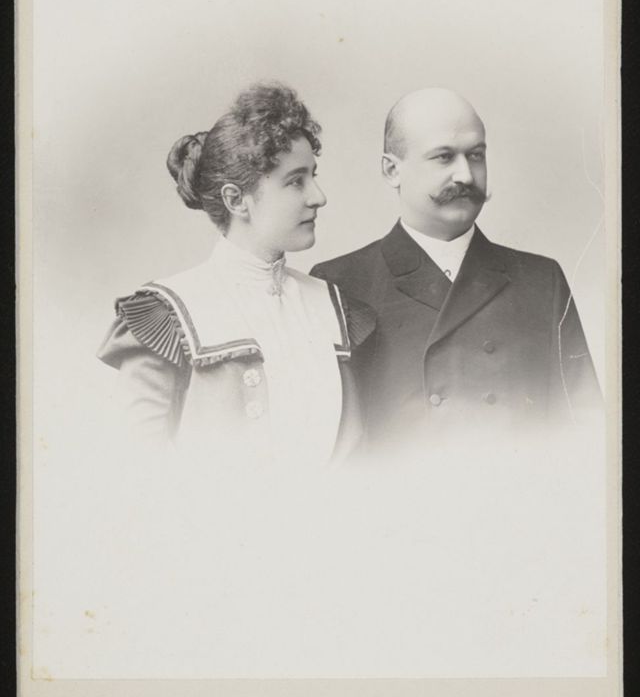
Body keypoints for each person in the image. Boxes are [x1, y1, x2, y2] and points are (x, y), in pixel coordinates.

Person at [98, 83, 373, 468]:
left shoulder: (330, 306)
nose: (318, 196)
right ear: (235, 200)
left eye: (313, 175)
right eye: (296, 181)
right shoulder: (172, 311)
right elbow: (134, 469)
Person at [311, 87, 601, 448]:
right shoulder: (338, 283)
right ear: (391, 170)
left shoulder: (543, 279)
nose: (465, 175)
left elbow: (587, 429)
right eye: (444, 157)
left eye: (476, 155)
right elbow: (329, 445)